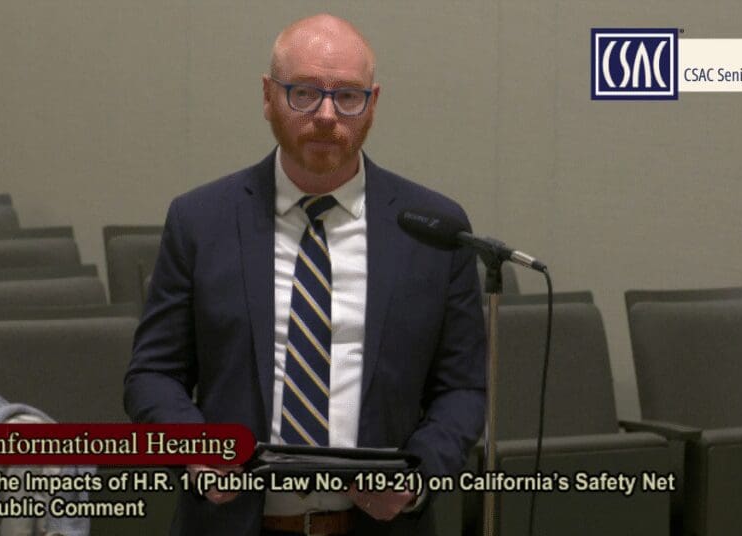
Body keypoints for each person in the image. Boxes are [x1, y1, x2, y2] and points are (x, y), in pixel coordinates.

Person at [124, 13, 486, 536]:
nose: (326, 114)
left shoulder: (432, 229)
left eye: (348, 96)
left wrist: (417, 475)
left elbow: (463, 389)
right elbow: (152, 375)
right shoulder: (201, 221)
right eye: (305, 93)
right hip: (234, 522)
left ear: (373, 104)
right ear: (268, 96)